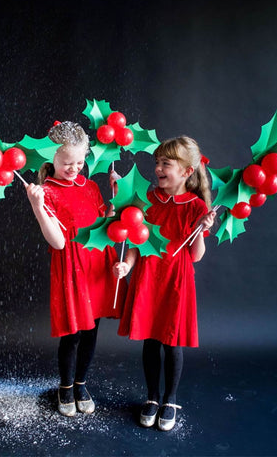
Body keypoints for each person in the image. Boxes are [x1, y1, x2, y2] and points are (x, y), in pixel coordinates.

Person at [113, 136, 216, 431]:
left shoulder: (196, 207)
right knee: (150, 339)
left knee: (171, 343)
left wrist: (200, 229)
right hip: (148, 277)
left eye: (165, 164)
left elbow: (195, 256)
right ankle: (152, 397)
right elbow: (135, 241)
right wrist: (126, 265)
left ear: (186, 172)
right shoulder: (149, 199)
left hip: (176, 281)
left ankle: (170, 399)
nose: (157, 168)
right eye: (157, 162)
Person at [26, 121, 126, 417]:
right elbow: (57, 242)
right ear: (51, 159)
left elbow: (104, 227)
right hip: (71, 267)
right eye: (67, 162)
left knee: (93, 330)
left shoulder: (91, 185)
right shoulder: (47, 191)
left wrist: (115, 203)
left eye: (80, 162)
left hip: (97, 263)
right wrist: (37, 208)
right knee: (73, 333)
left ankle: (82, 384)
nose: (74, 168)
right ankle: (66, 387)